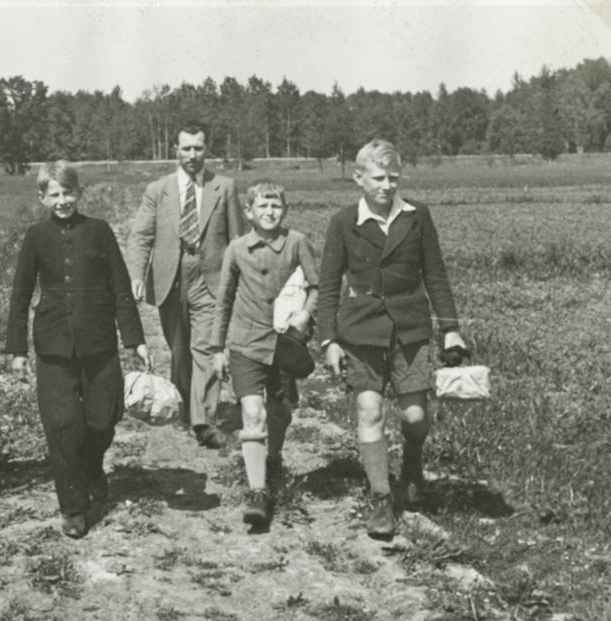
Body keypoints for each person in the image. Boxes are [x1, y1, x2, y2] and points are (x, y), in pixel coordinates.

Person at [317, 138, 467, 540]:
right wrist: (329, 339)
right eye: (379, 178)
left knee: (414, 416)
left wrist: (451, 329)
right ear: (358, 178)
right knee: (370, 412)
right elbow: (328, 286)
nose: (387, 186)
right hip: (361, 331)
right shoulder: (343, 222)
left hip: (410, 330)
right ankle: (381, 498)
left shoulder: (417, 216)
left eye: (394, 178)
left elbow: (435, 275)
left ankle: (412, 463)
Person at [5, 161, 152, 539]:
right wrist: (17, 349)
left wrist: (135, 339)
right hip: (53, 346)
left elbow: (120, 288)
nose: (62, 201)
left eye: (68, 192)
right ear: (42, 197)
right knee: (62, 425)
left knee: (103, 419)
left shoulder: (99, 231)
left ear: (79, 193)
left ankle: (90, 468)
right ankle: (72, 506)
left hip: (99, 342)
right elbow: (21, 293)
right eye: (54, 194)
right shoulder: (36, 236)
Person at [126, 120, 245, 449]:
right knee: (179, 348)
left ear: (207, 150)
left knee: (206, 348)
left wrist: (242, 281)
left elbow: (238, 239)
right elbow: (140, 236)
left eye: (198, 148)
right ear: (175, 150)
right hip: (170, 279)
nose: (192, 155)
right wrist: (136, 275)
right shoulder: (158, 190)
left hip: (210, 280)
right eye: (186, 148)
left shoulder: (224, 187)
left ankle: (204, 421)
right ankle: (183, 404)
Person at [211, 180, 319, 529]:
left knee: (279, 411)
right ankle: (258, 493)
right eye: (262, 206)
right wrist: (217, 348)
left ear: (284, 210)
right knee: (252, 412)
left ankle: (273, 458)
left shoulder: (297, 242)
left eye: (275, 206)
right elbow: (224, 301)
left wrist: (305, 316)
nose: (269, 212)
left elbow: (317, 287)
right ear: (248, 212)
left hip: (284, 346)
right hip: (246, 344)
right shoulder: (237, 249)